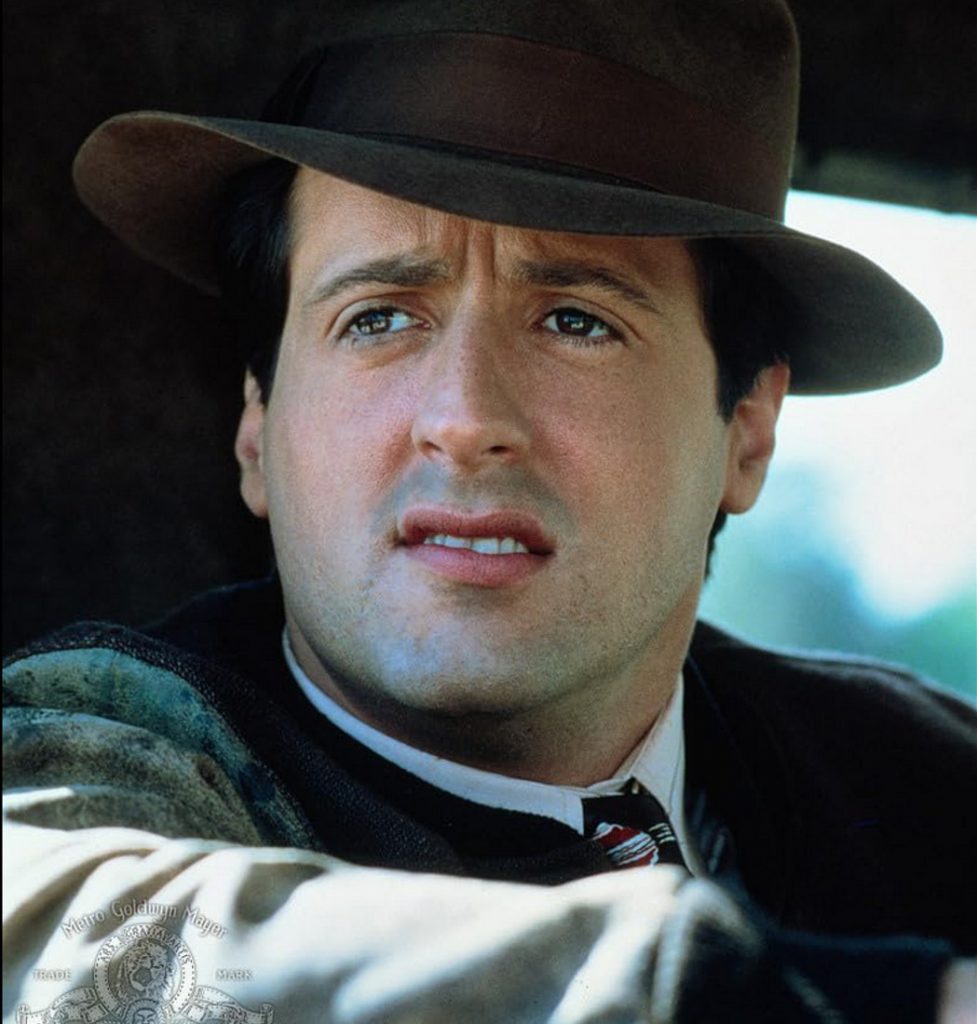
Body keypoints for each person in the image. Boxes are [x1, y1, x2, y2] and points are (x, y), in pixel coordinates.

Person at [4, 2, 975, 1022]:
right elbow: (69, 946)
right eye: (377, 317)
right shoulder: (86, 748)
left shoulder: (923, 782)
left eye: (576, 321)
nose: (464, 421)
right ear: (257, 424)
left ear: (746, 434)